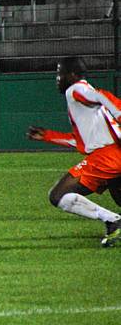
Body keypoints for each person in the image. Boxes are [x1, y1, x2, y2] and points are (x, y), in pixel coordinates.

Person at [27, 56, 121, 247]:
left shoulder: (76, 89)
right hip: (112, 154)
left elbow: (101, 96)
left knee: (58, 195)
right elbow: (81, 142)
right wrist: (48, 136)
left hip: (108, 157)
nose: (57, 79)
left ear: (71, 75)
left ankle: (113, 221)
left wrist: (119, 111)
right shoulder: (82, 102)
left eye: (59, 74)